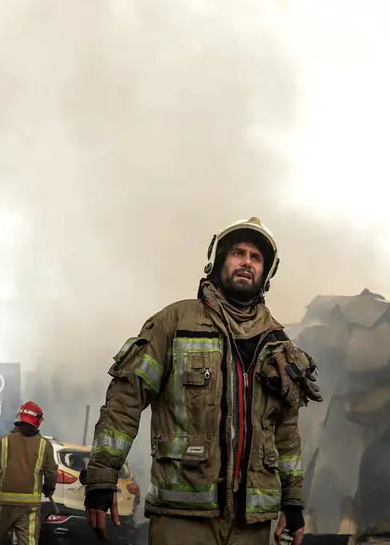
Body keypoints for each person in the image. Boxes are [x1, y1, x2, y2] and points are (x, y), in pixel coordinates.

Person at [83, 217, 323, 545]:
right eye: (238, 253)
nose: (247, 262)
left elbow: (286, 435)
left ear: (265, 273)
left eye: (256, 258)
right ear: (218, 261)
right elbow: (125, 402)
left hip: (250, 524)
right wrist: (102, 479)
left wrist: (292, 503)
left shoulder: (278, 345)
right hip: (182, 515)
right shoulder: (174, 322)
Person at [0, 401, 57, 544]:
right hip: (30, 509)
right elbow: (51, 473)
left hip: (3, 507)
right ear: (37, 421)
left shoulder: (3, 441)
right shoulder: (45, 445)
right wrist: (49, 489)